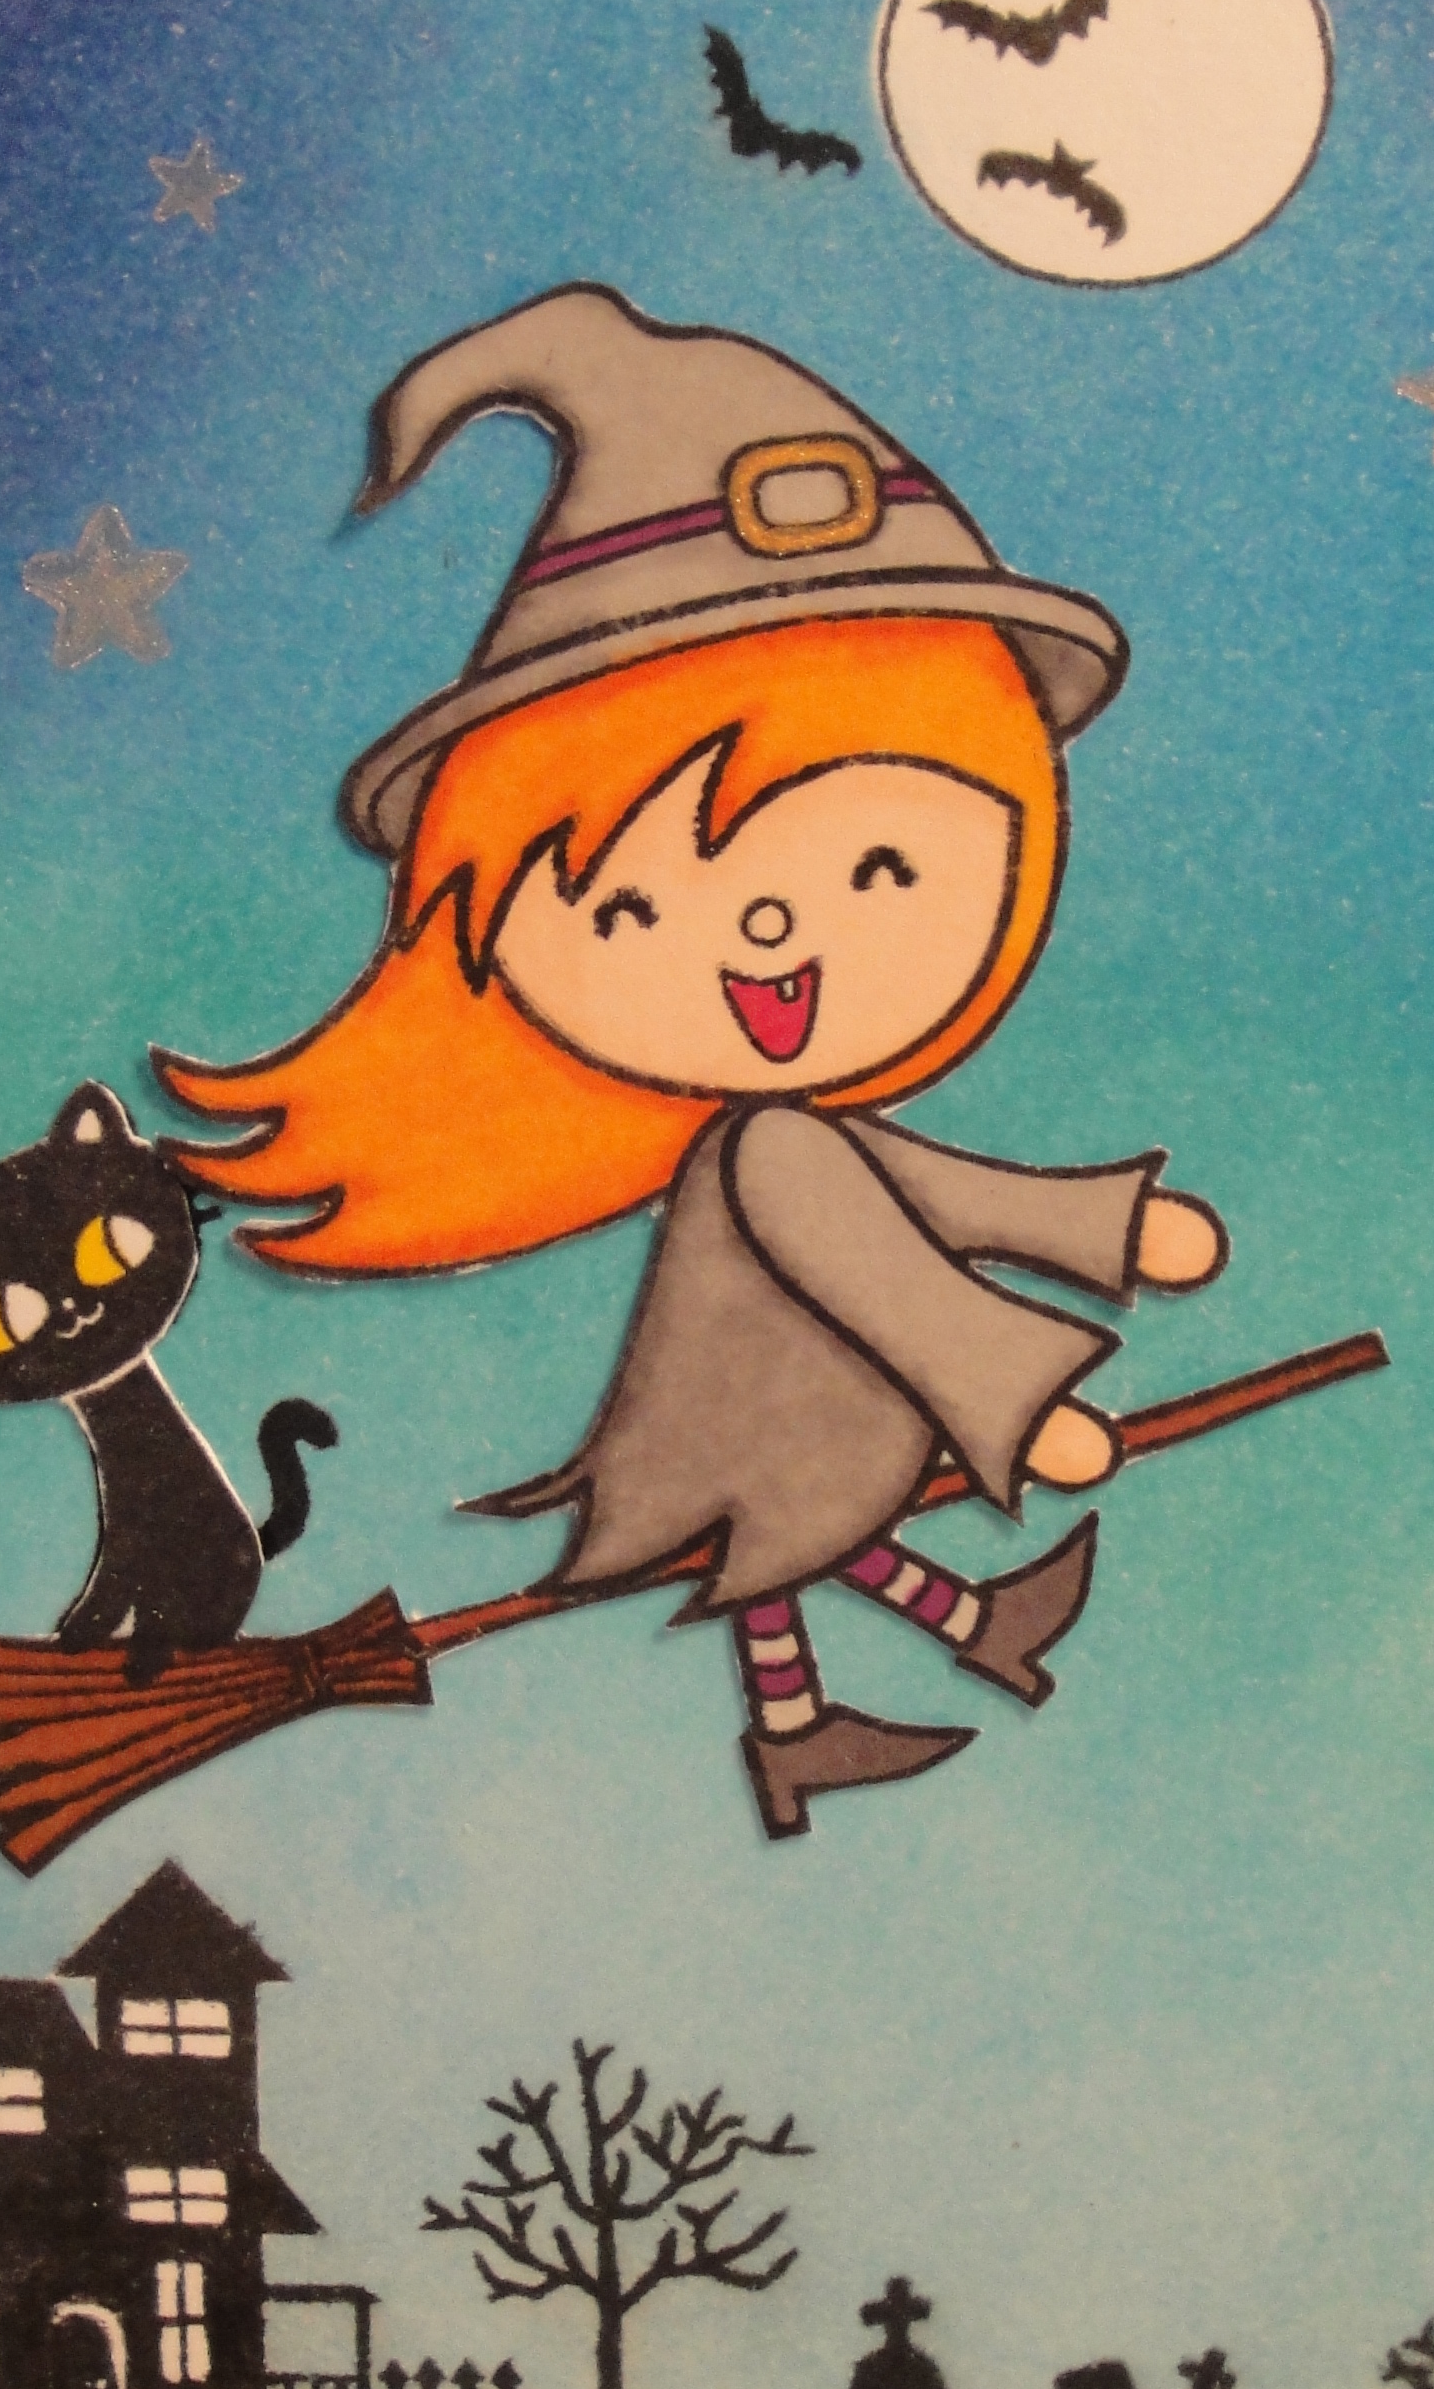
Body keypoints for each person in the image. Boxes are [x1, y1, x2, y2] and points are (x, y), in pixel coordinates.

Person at [158, 285, 1224, 1836]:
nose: (772, 935)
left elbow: (926, 1191)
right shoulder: (772, 1148)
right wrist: (1005, 1392)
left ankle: (848, 1697)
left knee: (796, 1536)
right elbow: (899, 1270)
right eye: (632, 908)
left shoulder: (784, 1136)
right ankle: (845, 1696)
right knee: (786, 1526)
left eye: (877, 866)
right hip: (760, 1407)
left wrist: (1100, 1227)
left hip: (804, 1402)